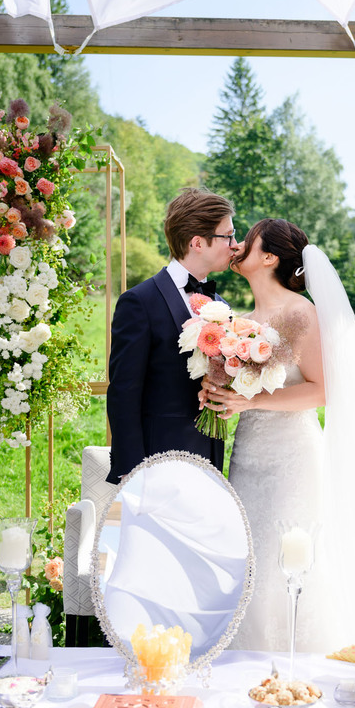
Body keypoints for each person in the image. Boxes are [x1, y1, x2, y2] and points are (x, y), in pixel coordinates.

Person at [201, 218, 355, 652]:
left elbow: (322, 390)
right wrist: (215, 389)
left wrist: (250, 402)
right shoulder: (240, 321)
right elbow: (243, 389)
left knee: (287, 556)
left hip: (292, 458)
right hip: (247, 454)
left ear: (269, 257)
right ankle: (248, 659)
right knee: (253, 557)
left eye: (248, 239)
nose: (237, 244)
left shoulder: (300, 313)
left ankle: (302, 660)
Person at [106, 187, 239, 485]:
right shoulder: (139, 301)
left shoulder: (221, 306)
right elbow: (123, 392)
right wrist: (131, 472)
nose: (235, 245)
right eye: (228, 236)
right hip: (155, 462)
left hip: (209, 458)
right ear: (197, 243)